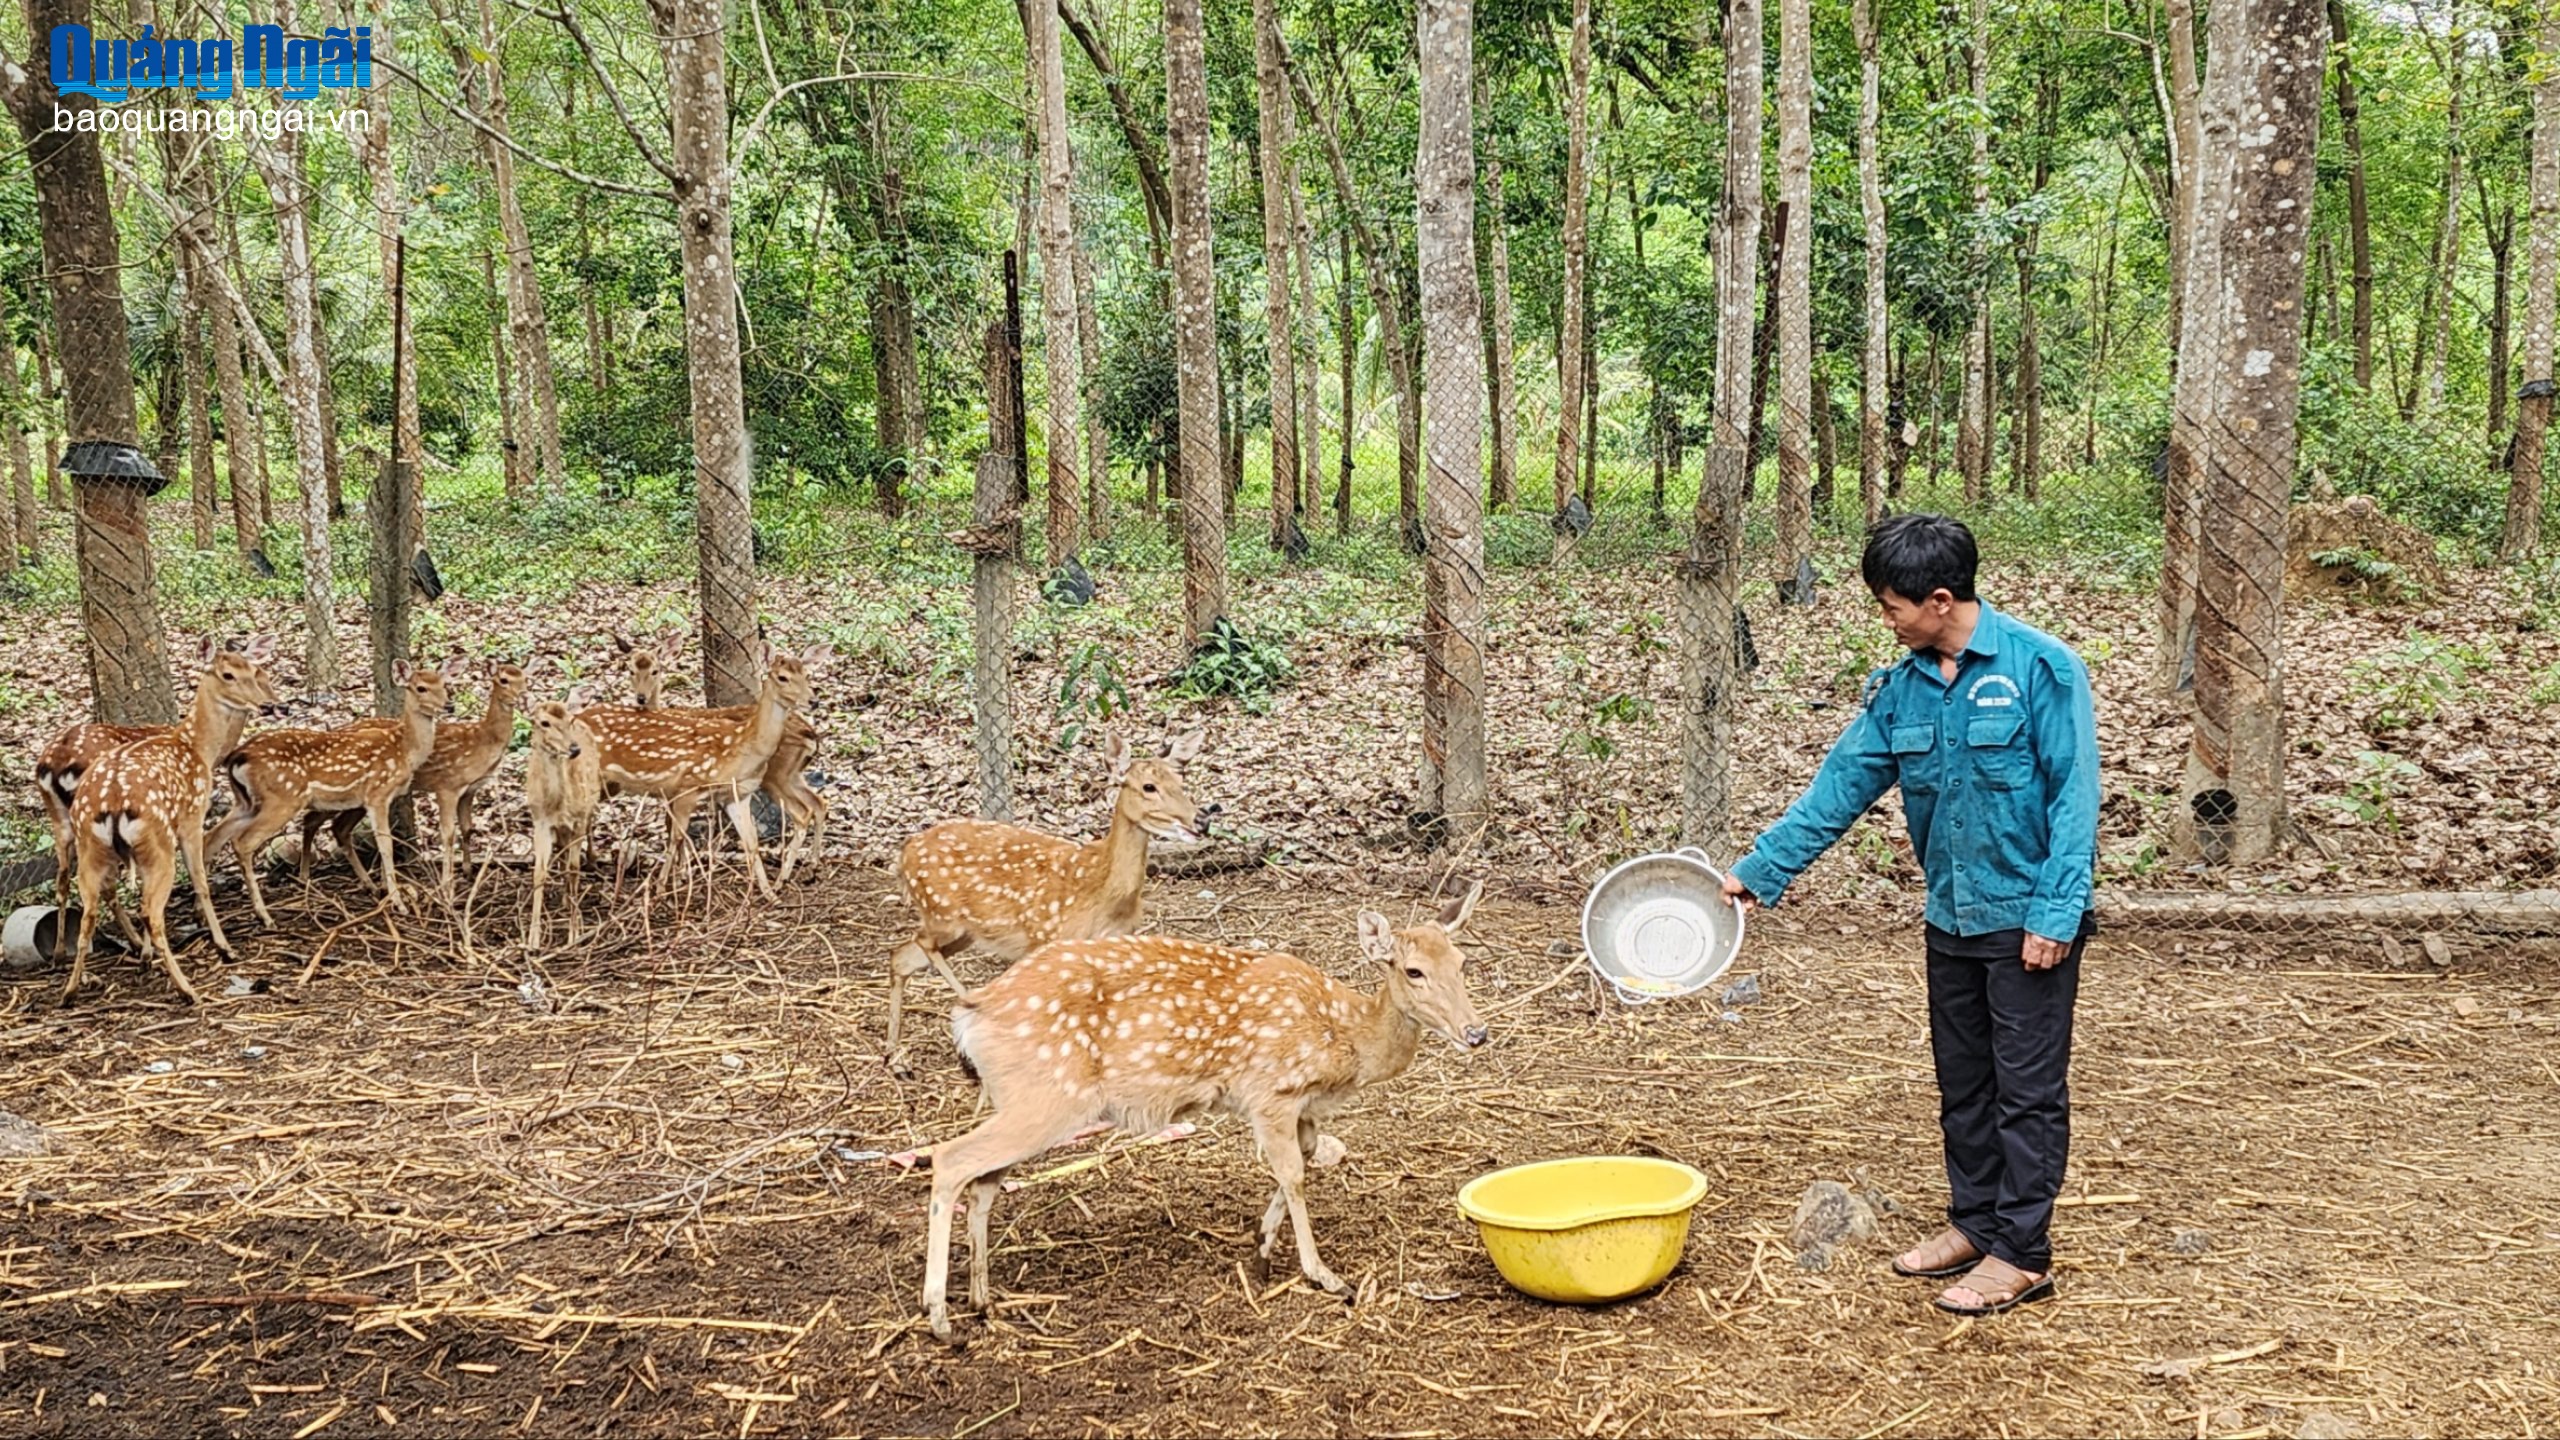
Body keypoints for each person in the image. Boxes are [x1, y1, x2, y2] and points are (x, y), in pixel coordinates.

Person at [1722, 513, 2098, 1316]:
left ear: (1937, 599)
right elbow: (1843, 784)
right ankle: (1976, 1224)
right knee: (1964, 1084)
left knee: (2025, 1092)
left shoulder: (2042, 669)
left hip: (2026, 920)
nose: (1885, 620)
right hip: (1951, 918)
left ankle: (2022, 1253)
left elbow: (2075, 799)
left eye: (1891, 606)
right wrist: (1762, 870)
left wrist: (2057, 913)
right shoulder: (1903, 689)